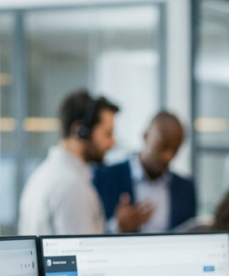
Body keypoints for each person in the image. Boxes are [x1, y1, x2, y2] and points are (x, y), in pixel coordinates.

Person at [18, 90, 118, 235]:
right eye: (108, 134)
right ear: (79, 130)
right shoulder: (73, 187)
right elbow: (85, 254)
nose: (113, 143)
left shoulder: (43, 174)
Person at [93, 111, 197, 233]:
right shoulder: (106, 177)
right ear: (146, 136)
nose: (168, 156)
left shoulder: (186, 189)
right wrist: (117, 227)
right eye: (163, 146)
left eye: (175, 150)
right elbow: (90, 231)